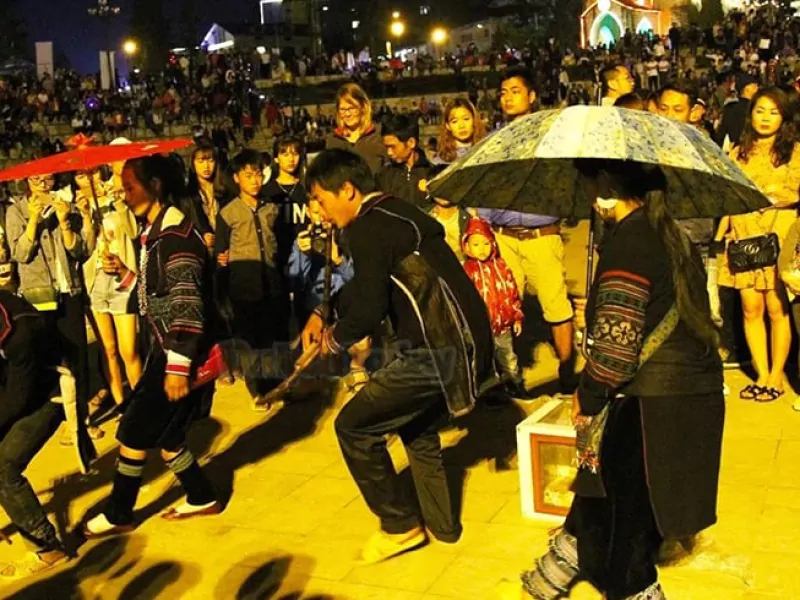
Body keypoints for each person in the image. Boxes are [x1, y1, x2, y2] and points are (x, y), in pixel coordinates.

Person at [511, 159, 724, 600]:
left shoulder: (629, 245)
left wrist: (587, 395)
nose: (588, 196)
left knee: (625, 532)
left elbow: (614, 353)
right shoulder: (671, 236)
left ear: (606, 184)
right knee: (601, 497)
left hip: (649, 406)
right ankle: (554, 575)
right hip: (690, 393)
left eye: (589, 184)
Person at [301, 149, 495, 563]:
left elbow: (369, 308)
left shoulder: (369, 228)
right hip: (465, 339)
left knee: (353, 427)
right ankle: (443, 527)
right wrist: (324, 311)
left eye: (320, 198)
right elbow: (367, 288)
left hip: (438, 348)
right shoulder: (395, 212)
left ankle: (399, 524)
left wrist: (333, 341)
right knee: (415, 426)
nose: (319, 209)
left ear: (347, 190)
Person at [83, 155, 221, 539]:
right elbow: (159, 293)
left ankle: (119, 512)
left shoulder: (175, 236)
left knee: (132, 431)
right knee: (168, 436)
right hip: (170, 348)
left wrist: (177, 367)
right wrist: (127, 275)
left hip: (177, 352)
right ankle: (202, 496)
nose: (125, 196)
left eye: (130, 187)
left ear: (155, 186)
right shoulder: (157, 232)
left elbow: (186, 303)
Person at [478, 67, 576, 394]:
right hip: (503, 236)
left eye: (515, 91)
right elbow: (486, 185)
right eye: (503, 92)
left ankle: (567, 370)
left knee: (556, 306)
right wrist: (485, 223)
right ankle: (510, 376)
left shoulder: (552, 135)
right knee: (501, 307)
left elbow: (565, 180)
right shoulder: (495, 140)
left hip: (541, 235)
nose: (507, 98)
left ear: (532, 96)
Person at [717, 87, 800, 403]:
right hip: (744, 234)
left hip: (779, 235)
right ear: (750, 114)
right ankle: (762, 373)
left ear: (784, 117)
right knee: (750, 308)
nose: (765, 118)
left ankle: (777, 374)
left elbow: (793, 192)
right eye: (760, 110)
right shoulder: (737, 153)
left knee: (777, 308)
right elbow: (729, 193)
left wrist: (765, 195)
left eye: (773, 112)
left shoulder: (795, 151)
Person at [6, 172, 97, 441]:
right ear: (28, 182)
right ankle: (52, 419)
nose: (44, 186)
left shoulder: (64, 204)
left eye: (49, 180)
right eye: (38, 180)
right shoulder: (16, 211)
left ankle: (81, 421)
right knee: (49, 361)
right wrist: (34, 220)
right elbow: (20, 254)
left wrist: (66, 222)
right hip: (38, 295)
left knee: (77, 356)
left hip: (69, 289)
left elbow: (80, 251)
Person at [0, 291, 69, 578]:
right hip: (15, 391)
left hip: (47, 394)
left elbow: (19, 398)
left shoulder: (19, 330)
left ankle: (47, 548)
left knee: (4, 467)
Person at [215, 150, 287, 410]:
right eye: (248, 175)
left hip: (272, 284)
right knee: (250, 341)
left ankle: (276, 384)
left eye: (258, 174)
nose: (255, 181)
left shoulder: (271, 208)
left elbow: (280, 244)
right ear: (237, 178)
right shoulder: (228, 213)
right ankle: (257, 390)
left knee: (272, 337)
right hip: (244, 288)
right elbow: (221, 252)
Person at [77, 168, 141, 417]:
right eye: (81, 176)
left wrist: (119, 201)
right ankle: (122, 405)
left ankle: (140, 406)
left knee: (129, 350)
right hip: (96, 284)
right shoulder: (76, 207)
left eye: (91, 173)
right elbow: (80, 249)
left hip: (122, 281)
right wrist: (85, 216)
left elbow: (133, 231)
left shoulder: (117, 200)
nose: (88, 179)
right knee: (109, 350)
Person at [462, 218, 524, 393]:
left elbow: (512, 293)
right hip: (480, 329)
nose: (482, 249)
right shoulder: (467, 271)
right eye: (476, 244)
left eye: (486, 243)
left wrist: (516, 318)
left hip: (503, 328)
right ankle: (487, 392)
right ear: (466, 247)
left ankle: (515, 387)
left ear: (493, 244)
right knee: (482, 361)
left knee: (509, 359)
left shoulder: (501, 267)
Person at [377, 114, 434, 210]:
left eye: (393, 147)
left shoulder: (431, 174)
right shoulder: (384, 176)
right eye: (387, 147)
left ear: (411, 142)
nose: (389, 152)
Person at [325, 83, 385, 173]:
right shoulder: (332, 140)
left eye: (352, 108)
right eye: (342, 109)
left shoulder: (379, 135)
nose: (347, 114)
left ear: (363, 107)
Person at [183, 138, 228, 255]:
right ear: (193, 163)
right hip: (202, 252)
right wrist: (201, 236)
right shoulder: (187, 195)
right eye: (201, 161)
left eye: (210, 160)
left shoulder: (226, 191)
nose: (206, 166)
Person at [437, 98, 487, 164]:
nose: (461, 126)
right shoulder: (441, 161)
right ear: (448, 125)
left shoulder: (487, 149)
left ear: (474, 119)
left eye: (466, 119)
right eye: (454, 121)